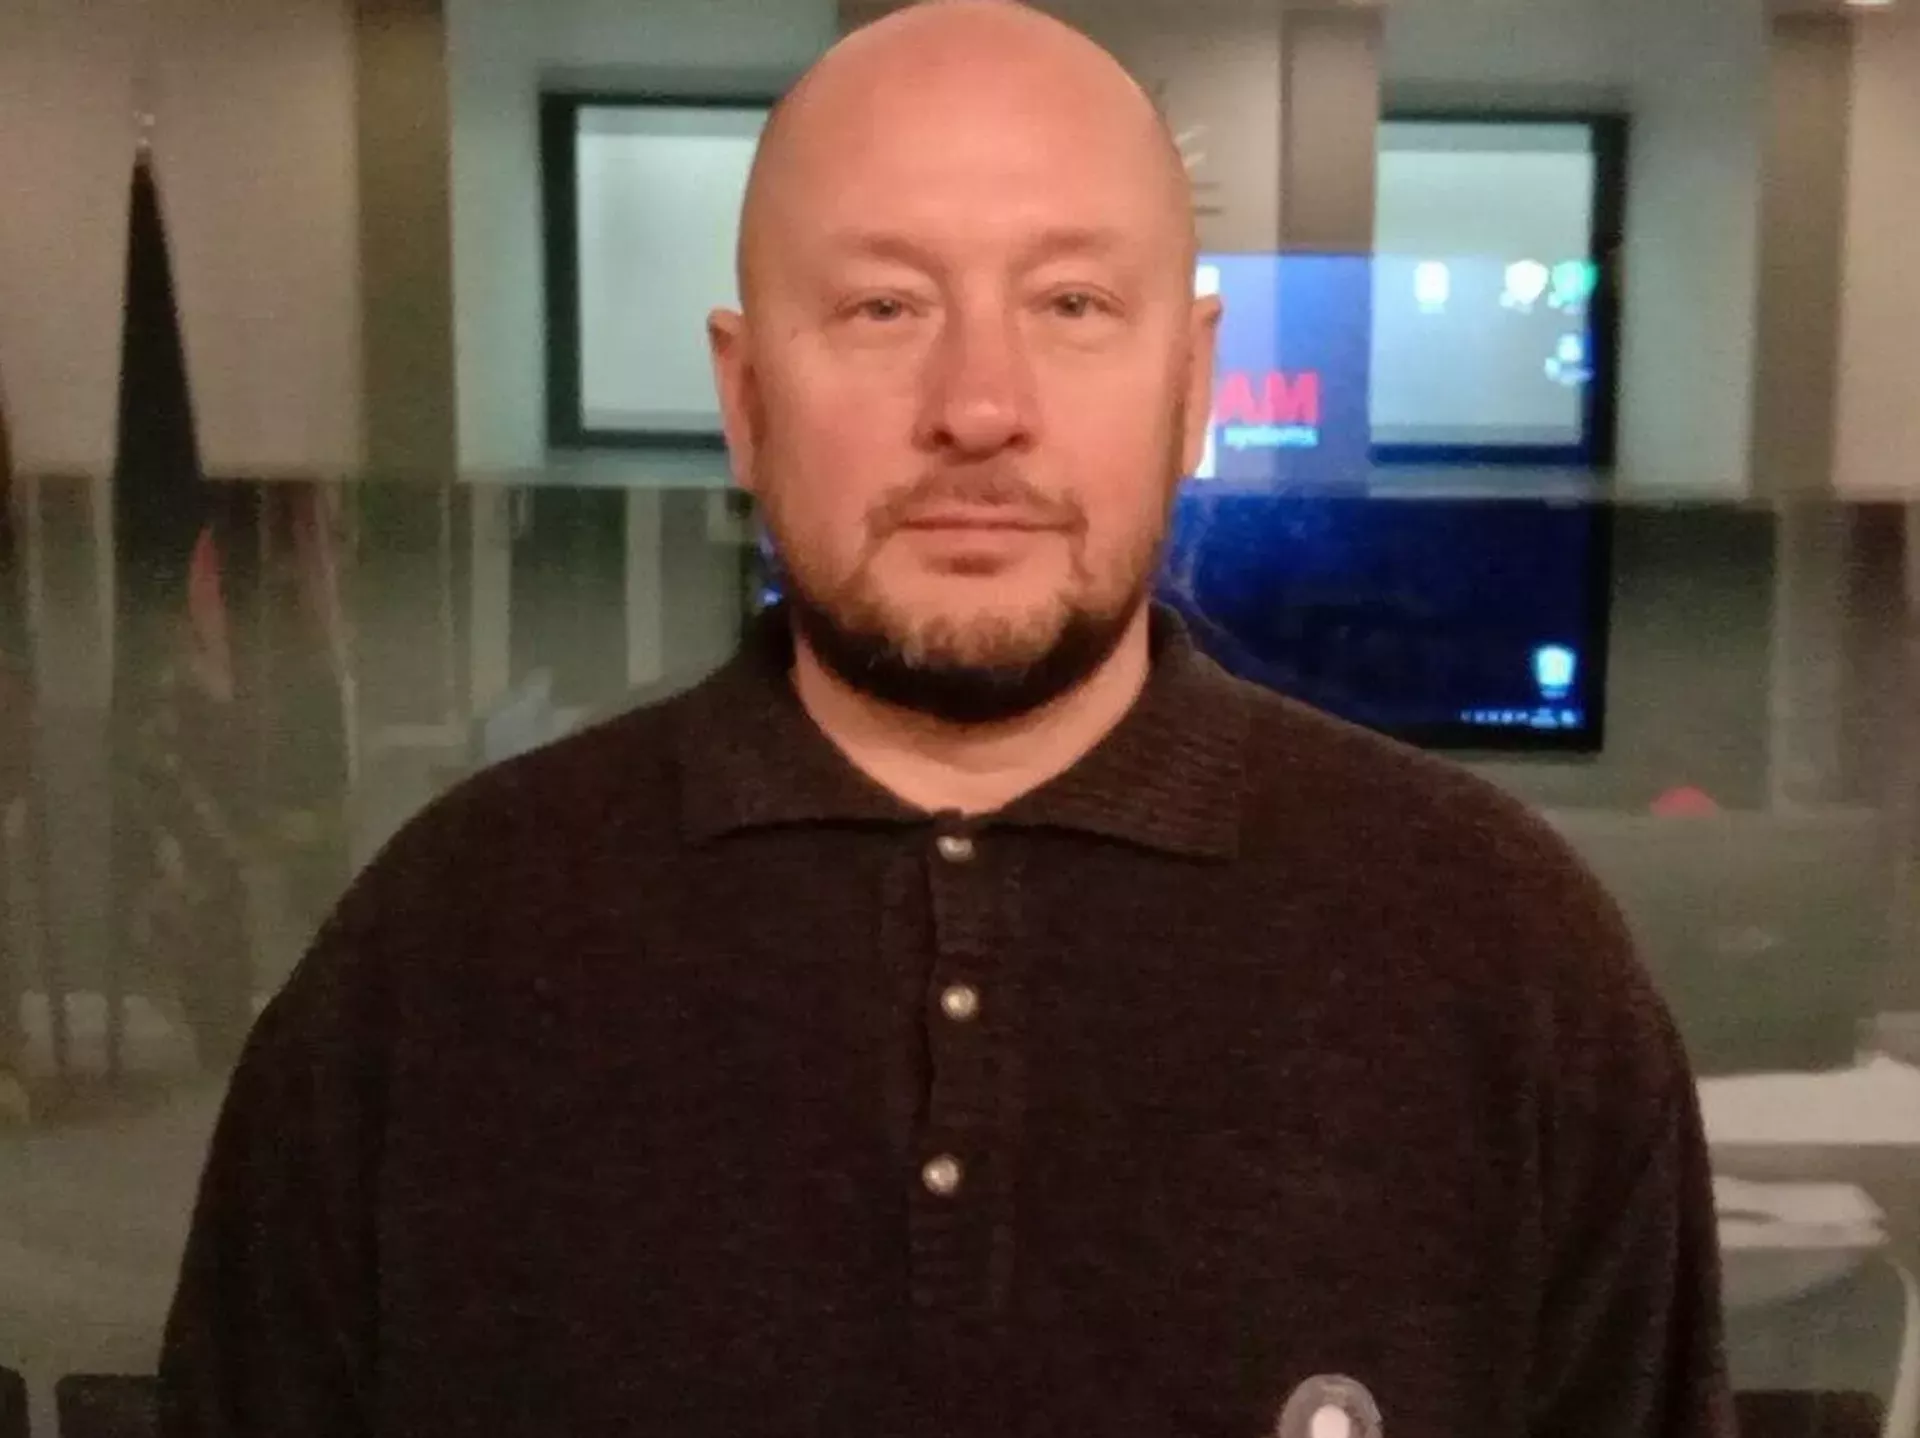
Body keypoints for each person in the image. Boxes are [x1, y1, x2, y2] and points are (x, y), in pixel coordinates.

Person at [160, 2, 1734, 1434]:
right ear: (745, 396)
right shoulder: (442, 950)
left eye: (1072, 301)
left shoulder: (1503, 953)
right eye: (882, 305)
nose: (981, 404)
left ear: (1193, 382)